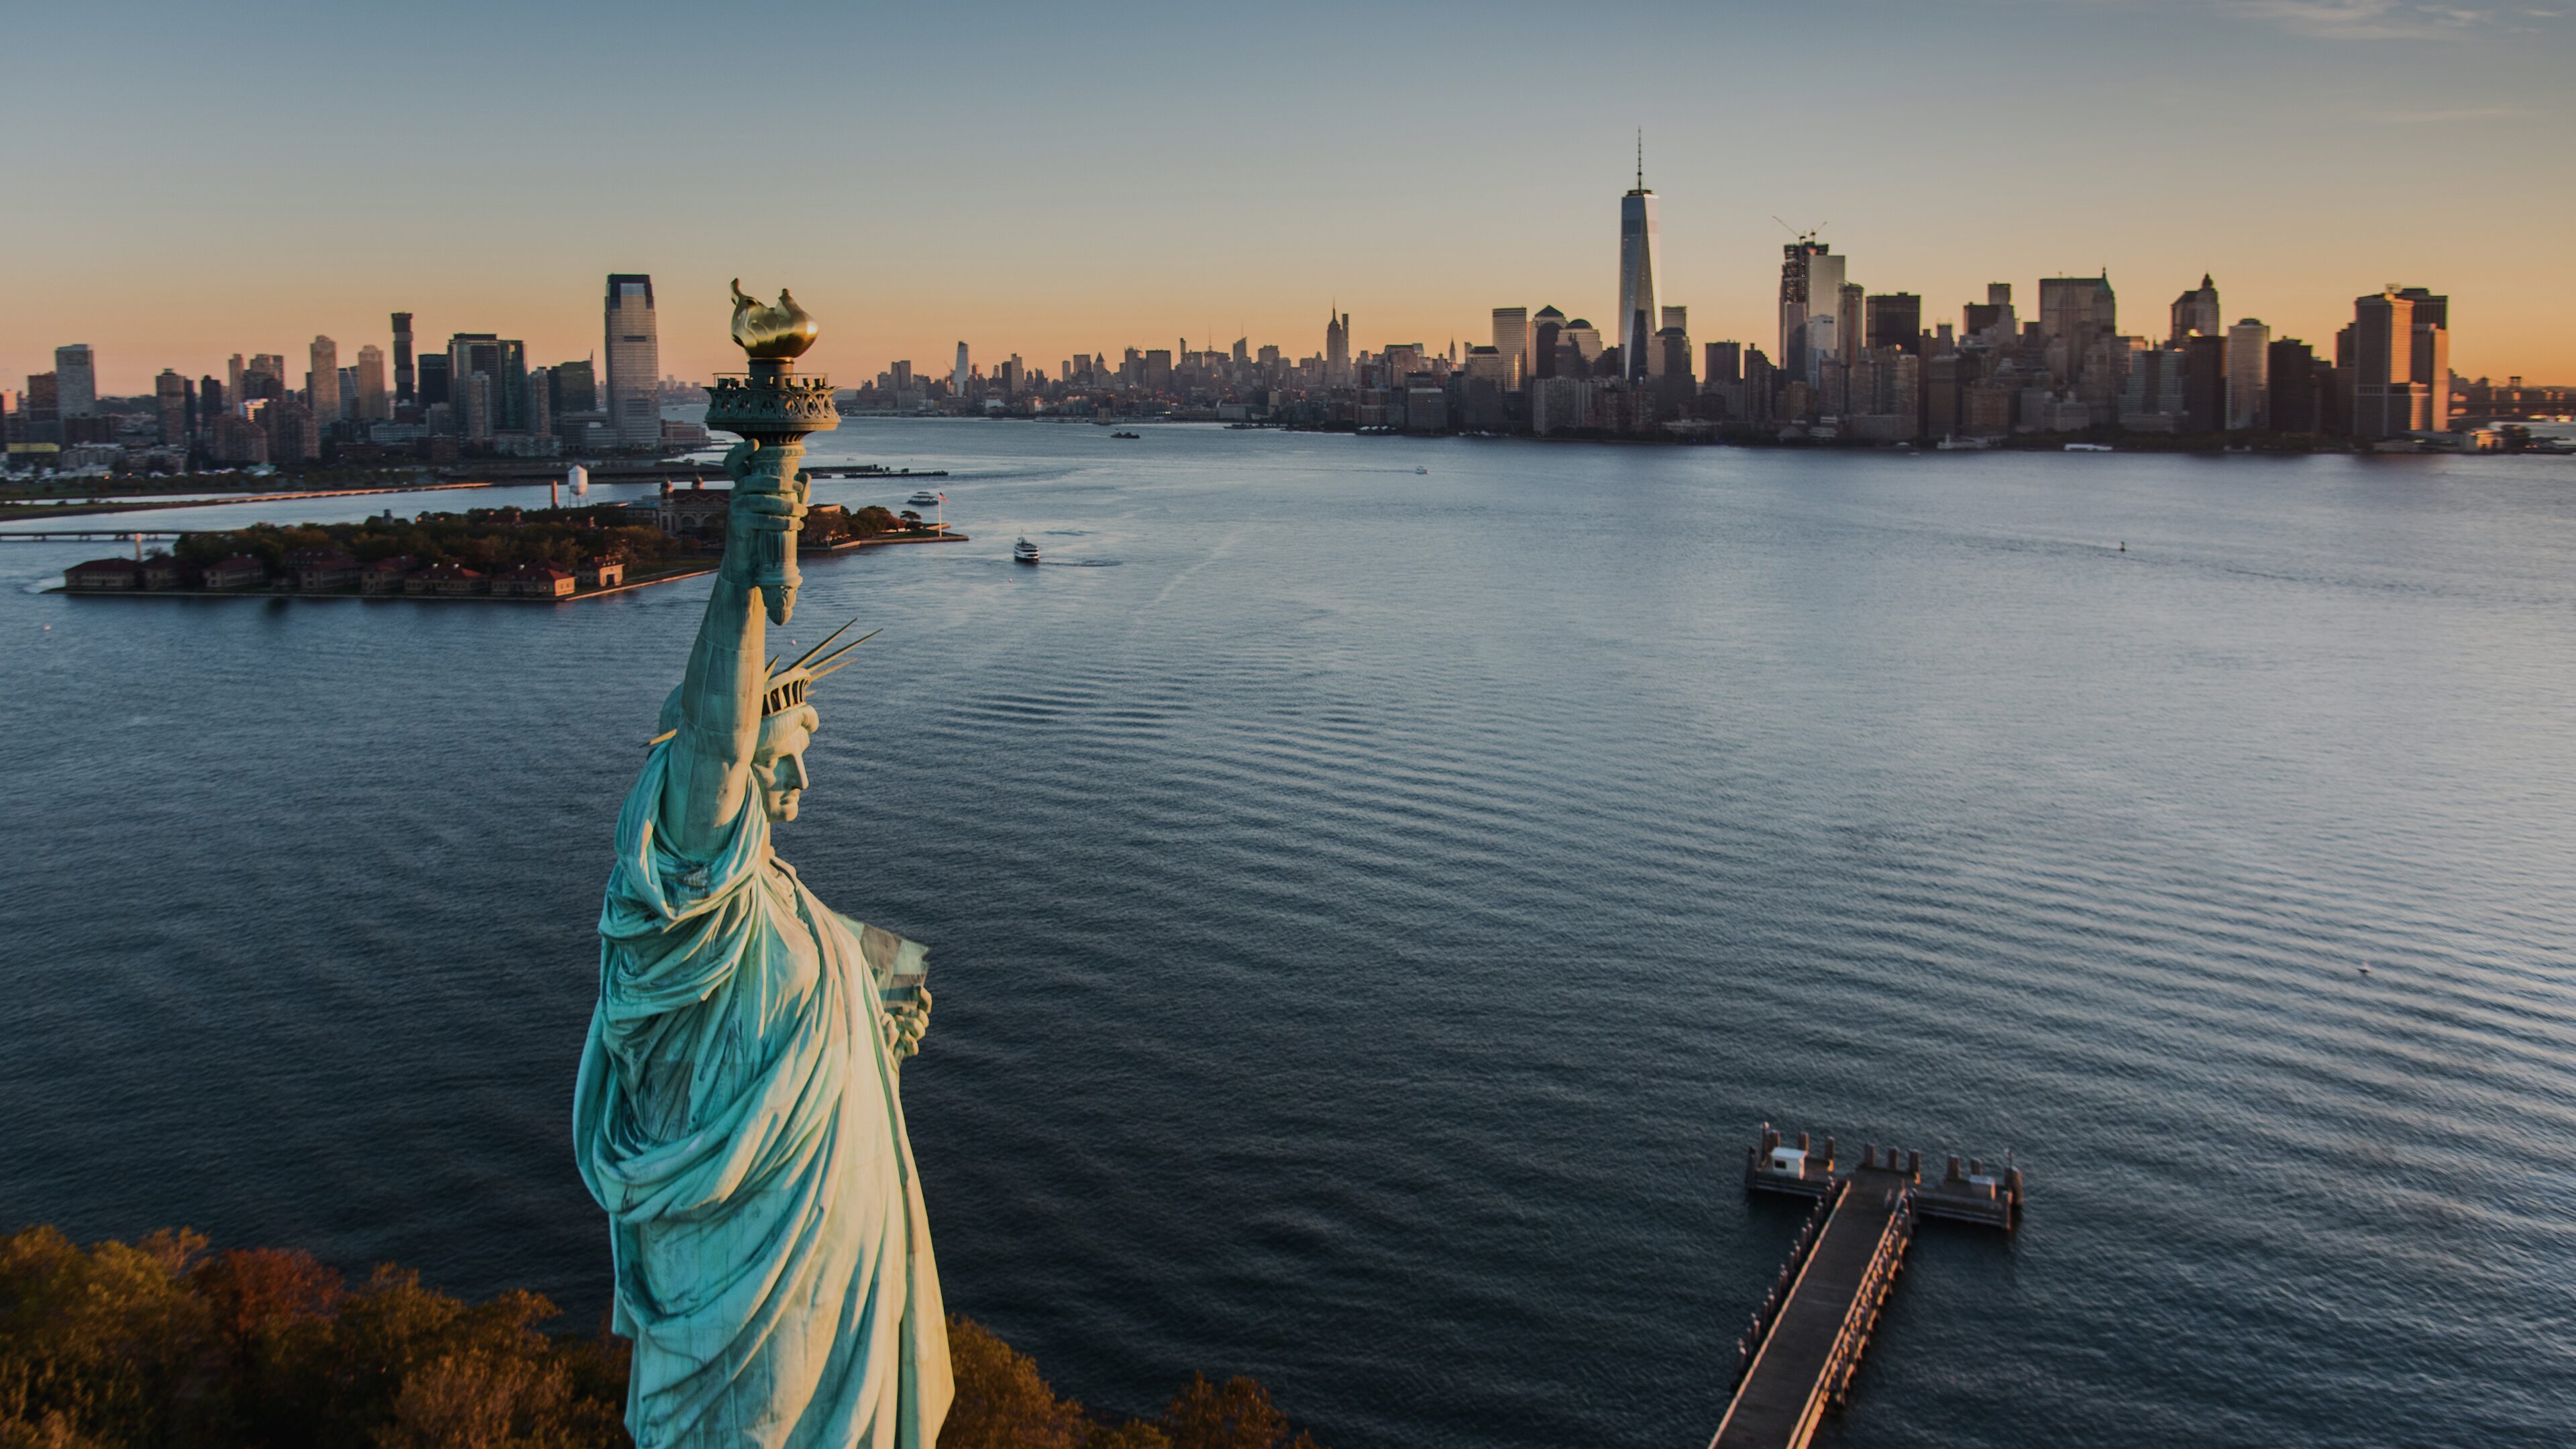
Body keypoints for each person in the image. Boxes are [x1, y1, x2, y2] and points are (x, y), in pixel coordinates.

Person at [574, 463, 948, 1449]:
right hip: (743, 1304)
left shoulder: (785, 903)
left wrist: (881, 1026)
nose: (799, 776)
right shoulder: (687, 897)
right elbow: (716, 739)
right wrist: (742, 570)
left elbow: (809, 1044)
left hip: (832, 1265)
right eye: (778, 752)